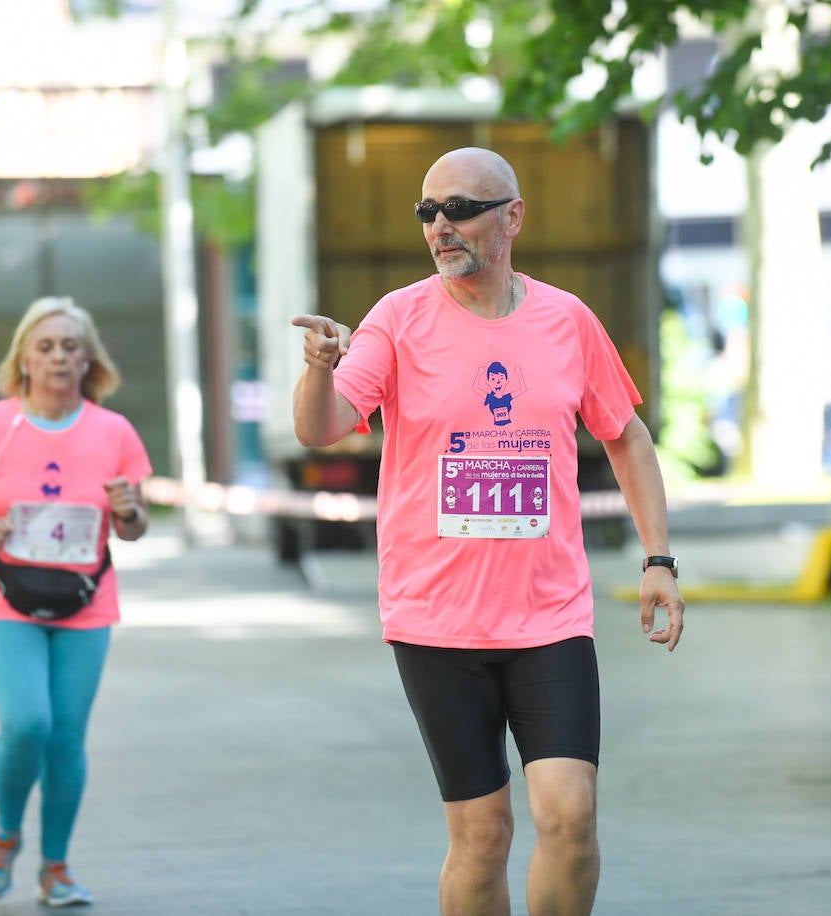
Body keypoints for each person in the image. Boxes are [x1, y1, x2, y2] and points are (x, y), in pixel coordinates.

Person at [290, 147, 685, 915]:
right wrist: (317, 368)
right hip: (437, 622)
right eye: (427, 212)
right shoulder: (397, 320)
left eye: (461, 208)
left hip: (549, 616)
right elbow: (325, 426)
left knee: (570, 817)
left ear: (512, 217)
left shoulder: (567, 319)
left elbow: (626, 435)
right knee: (483, 835)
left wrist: (659, 558)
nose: (441, 226)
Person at [0, 296, 152, 907]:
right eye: (45, 346)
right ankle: (5, 839)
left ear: (88, 361)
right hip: (8, 599)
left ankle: (56, 868)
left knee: (65, 739)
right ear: (23, 359)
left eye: (70, 347)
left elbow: (133, 527)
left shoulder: (114, 432)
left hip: (87, 599)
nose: (58, 356)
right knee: (27, 723)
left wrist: (129, 510)